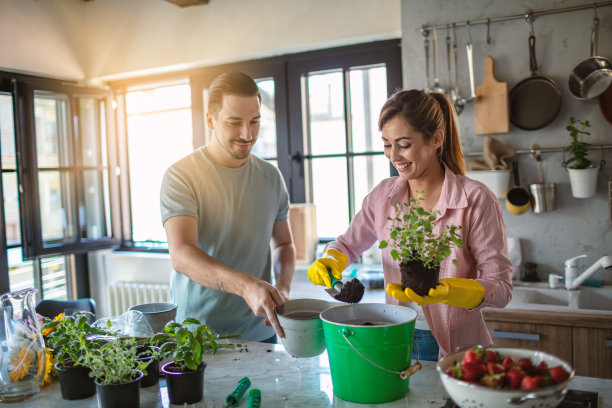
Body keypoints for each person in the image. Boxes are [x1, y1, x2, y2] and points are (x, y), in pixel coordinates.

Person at [308, 89, 512, 359]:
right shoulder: (383, 195)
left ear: (436, 138)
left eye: (404, 145)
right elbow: (346, 244)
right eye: (386, 144)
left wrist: (452, 291)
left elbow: (501, 287)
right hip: (395, 338)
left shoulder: (475, 199)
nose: (393, 156)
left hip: (458, 348)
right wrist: (330, 260)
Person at [160, 71, 296, 343]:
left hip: (262, 333)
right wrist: (247, 286)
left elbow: (283, 244)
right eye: (235, 122)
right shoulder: (181, 175)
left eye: (255, 122)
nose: (248, 134)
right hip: (198, 337)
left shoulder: (271, 177)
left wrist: (281, 288)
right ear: (210, 120)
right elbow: (182, 254)